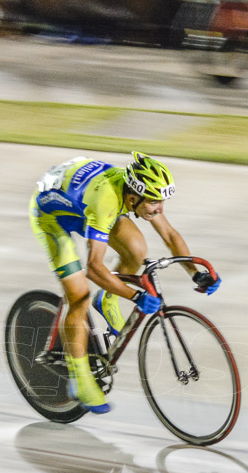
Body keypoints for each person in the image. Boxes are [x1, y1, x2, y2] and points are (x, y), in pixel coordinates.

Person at [29, 151, 221, 414]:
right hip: (52, 218)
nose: (160, 208)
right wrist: (134, 296)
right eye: (154, 202)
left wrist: (195, 273)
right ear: (133, 198)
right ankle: (81, 376)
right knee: (79, 296)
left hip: (82, 202)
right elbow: (95, 268)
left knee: (136, 250)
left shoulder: (135, 191)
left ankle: (107, 301)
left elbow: (169, 234)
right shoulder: (105, 200)